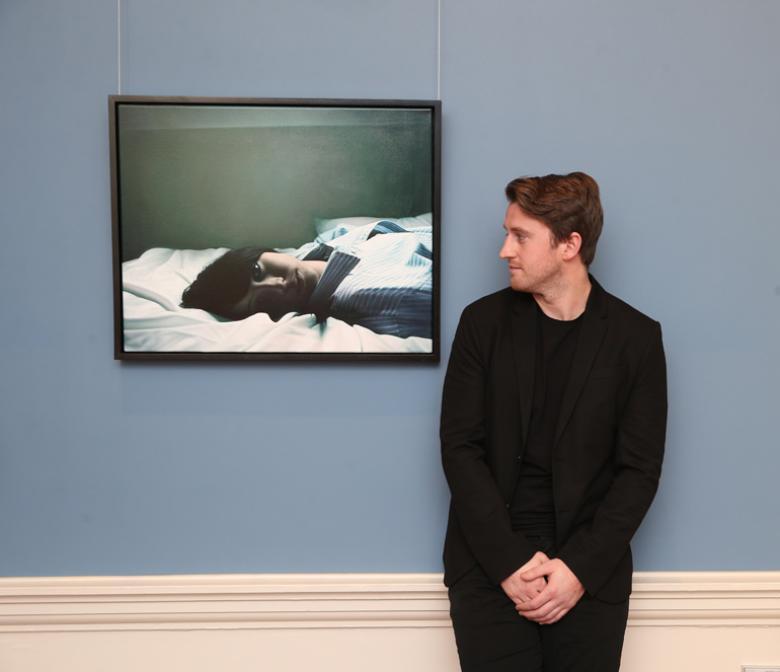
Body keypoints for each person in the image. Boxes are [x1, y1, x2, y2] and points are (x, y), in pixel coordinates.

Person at [440, 172, 667, 671]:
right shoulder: (482, 325)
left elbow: (639, 472)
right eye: (507, 233)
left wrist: (578, 570)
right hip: (488, 567)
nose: (505, 250)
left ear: (570, 244)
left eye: (520, 236)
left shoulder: (636, 339)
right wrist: (509, 562)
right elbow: (460, 448)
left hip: (589, 575)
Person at [180, 218, 433, 339]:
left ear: (262, 251)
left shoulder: (320, 246)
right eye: (262, 303)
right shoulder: (383, 296)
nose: (278, 285)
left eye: (257, 271)